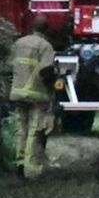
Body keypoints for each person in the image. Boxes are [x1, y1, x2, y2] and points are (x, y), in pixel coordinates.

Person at [10, 15, 57, 178]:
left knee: (20, 130)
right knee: (34, 131)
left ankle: (19, 163)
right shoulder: (45, 46)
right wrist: (53, 90)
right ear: (46, 31)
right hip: (36, 94)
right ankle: (30, 169)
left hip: (17, 93)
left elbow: (10, 67)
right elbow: (46, 71)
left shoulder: (18, 43)